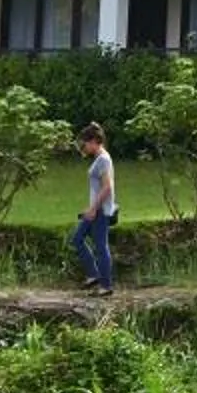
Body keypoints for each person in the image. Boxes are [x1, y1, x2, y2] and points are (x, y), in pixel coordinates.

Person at [70, 122, 118, 294]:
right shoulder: (100, 158)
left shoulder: (103, 159)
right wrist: (90, 207)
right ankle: (93, 275)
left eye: (86, 143)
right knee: (77, 239)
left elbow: (107, 187)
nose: (84, 147)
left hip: (100, 211)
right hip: (95, 209)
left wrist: (93, 208)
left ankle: (105, 286)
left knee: (100, 246)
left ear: (94, 141)